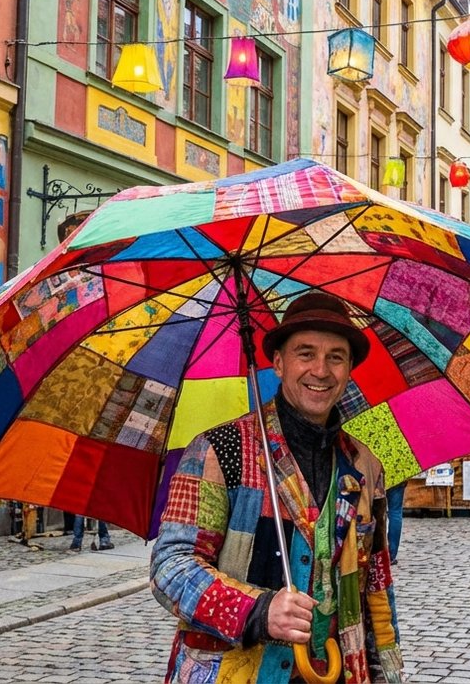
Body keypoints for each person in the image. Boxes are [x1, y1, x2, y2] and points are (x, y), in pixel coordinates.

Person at [149, 291, 402, 682]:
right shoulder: (220, 451)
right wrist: (259, 610)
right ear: (279, 364)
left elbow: (377, 588)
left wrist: (386, 673)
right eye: (305, 353)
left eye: (336, 356)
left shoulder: (364, 466)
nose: (321, 370)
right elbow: (171, 567)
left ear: (349, 368)